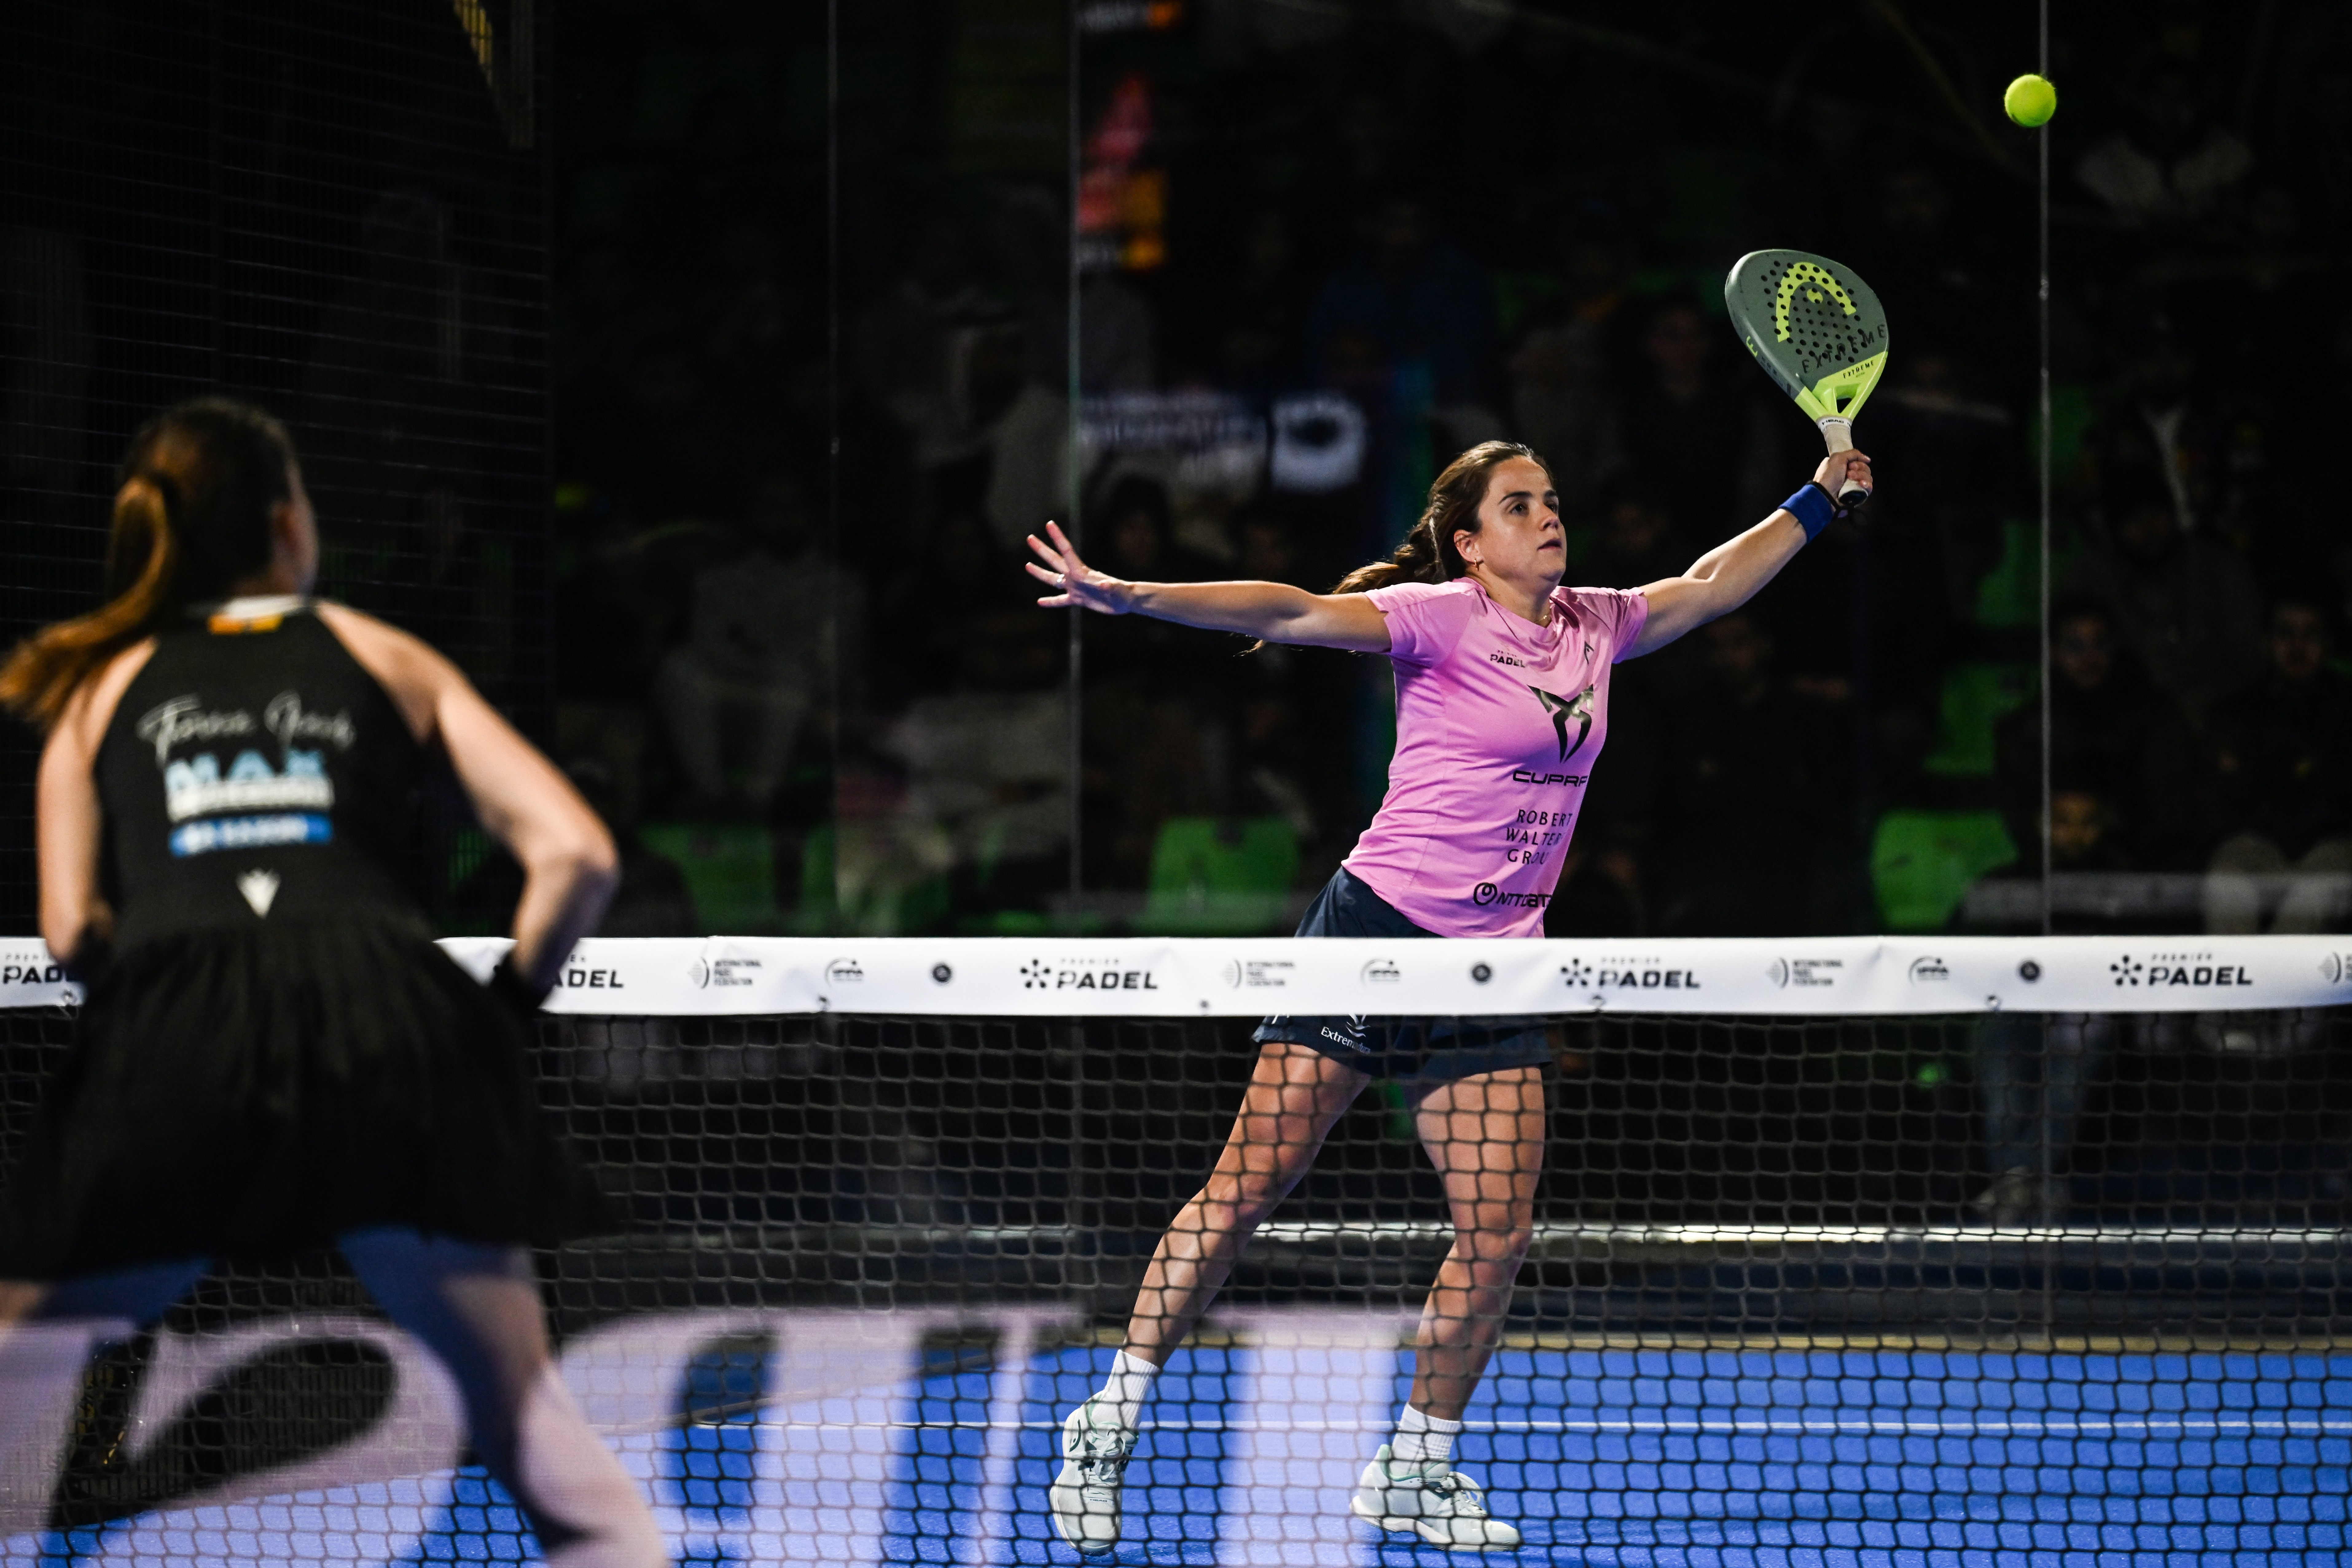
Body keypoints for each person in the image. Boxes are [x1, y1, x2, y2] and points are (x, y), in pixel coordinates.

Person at [1024, 436, 1873, 1551]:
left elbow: (1712, 583)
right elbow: (1290, 611)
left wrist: (1817, 498)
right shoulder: (1440, 618)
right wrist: (1131, 595)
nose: (1548, 516)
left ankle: (1414, 1465)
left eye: (1551, 499)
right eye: (1519, 505)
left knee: (1498, 1231)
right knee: (1245, 1190)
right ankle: (1107, 1423)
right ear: (1469, 545)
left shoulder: (1598, 624)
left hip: (1495, 959)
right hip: (1373, 934)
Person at [0, 401, 665, 1565]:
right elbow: (578, 855)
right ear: (287, 523)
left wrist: (168, 1023)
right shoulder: (380, 652)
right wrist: (496, 1020)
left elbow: (68, 928)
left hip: (174, 1044)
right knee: (538, 1438)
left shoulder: (98, 688)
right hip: (393, 1036)